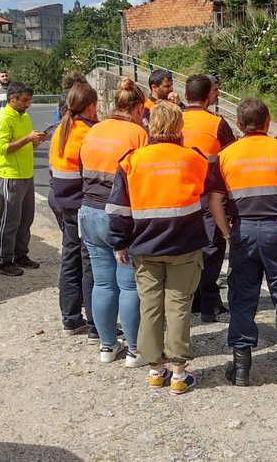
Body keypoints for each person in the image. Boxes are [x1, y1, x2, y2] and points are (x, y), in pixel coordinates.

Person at [208, 97, 277, 387]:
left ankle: (241, 367)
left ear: (239, 124)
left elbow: (214, 200)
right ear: (268, 122)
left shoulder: (226, 155)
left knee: (242, 298)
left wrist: (226, 231)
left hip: (243, 232)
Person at [108, 103, 209, 395]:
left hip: (145, 245)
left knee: (150, 307)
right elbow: (206, 190)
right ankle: (178, 374)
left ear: (150, 126)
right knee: (178, 306)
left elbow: (118, 209)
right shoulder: (193, 158)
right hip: (184, 244)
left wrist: (119, 242)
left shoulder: (132, 160)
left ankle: (155, 370)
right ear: (179, 128)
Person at [78, 78, 148, 349]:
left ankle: (107, 345)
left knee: (103, 284)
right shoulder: (137, 134)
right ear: (139, 108)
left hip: (88, 212)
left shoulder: (93, 131)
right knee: (129, 286)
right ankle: (134, 348)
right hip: (119, 216)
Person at [50, 82, 105, 358]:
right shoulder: (89, 133)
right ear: (92, 106)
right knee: (90, 264)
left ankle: (70, 318)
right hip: (81, 204)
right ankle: (96, 325)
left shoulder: (62, 128)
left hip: (62, 202)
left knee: (69, 259)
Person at [180, 74, 236, 323]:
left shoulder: (173, 120)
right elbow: (233, 155)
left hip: (179, 195)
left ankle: (191, 299)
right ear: (209, 96)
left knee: (188, 248)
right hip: (210, 196)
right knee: (212, 249)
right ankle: (209, 304)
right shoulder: (217, 124)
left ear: (185, 96)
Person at [0, 81, 46, 277]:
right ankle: (4, 260)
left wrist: (36, 141)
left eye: (29, 100)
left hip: (26, 174)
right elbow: (3, 148)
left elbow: (26, 146)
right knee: (9, 220)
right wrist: (28, 139)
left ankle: (20, 254)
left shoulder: (24, 117)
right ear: (11, 98)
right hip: (9, 175)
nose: (27, 104)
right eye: (24, 100)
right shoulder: (3, 119)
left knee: (26, 218)